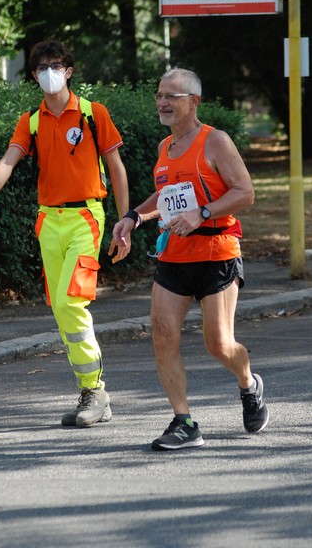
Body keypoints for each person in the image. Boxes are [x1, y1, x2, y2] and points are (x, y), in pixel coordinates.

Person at [109, 68, 269, 450]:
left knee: (219, 344)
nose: (163, 102)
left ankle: (249, 382)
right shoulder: (166, 148)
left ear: (193, 102)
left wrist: (204, 213)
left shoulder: (215, 141)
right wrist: (133, 217)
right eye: (160, 95)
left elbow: (245, 192)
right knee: (163, 335)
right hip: (174, 258)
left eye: (173, 97)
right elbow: (164, 198)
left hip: (217, 253)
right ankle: (184, 422)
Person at [0, 40, 130, 428]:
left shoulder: (93, 114)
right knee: (60, 309)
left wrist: (125, 221)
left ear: (69, 70)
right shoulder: (32, 120)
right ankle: (93, 392)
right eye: (41, 68)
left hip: (85, 219)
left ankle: (94, 391)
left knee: (70, 303)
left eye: (55, 65)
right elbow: (8, 159)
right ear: (33, 75)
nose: (48, 72)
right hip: (49, 221)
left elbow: (117, 169)